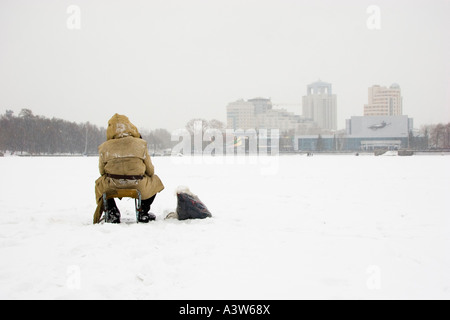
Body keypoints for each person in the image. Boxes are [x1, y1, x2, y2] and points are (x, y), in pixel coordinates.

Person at [93, 114, 164, 223]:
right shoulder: (141, 144)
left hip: (112, 185)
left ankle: (112, 212)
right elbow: (150, 171)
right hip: (137, 184)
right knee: (156, 181)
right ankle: (143, 211)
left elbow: (102, 172)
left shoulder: (104, 147)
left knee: (99, 184)